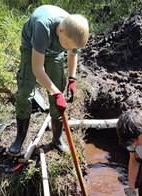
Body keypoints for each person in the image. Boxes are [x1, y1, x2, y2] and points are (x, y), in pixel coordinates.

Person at [8, 5, 89, 155]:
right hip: (31, 46)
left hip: (54, 52)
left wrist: (72, 79)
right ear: (60, 30)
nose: (67, 49)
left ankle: (57, 139)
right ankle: (19, 138)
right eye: (66, 45)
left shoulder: (74, 32)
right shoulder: (42, 26)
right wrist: (56, 93)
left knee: (58, 86)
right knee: (25, 92)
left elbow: (72, 54)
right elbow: (37, 69)